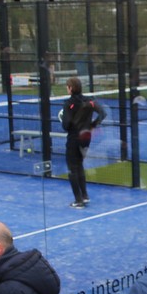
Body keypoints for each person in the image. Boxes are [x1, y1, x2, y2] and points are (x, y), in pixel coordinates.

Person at [59, 76, 106, 209]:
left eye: (67, 86)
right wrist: (92, 125)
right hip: (86, 138)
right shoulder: (89, 101)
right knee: (79, 165)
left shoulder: (68, 104)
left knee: (72, 169)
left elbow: (66, 125)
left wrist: (64, 120)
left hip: (74, 138)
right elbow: (103, 113)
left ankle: (78, 200)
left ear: (70, 88)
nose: (67, 88)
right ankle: (84, 196)